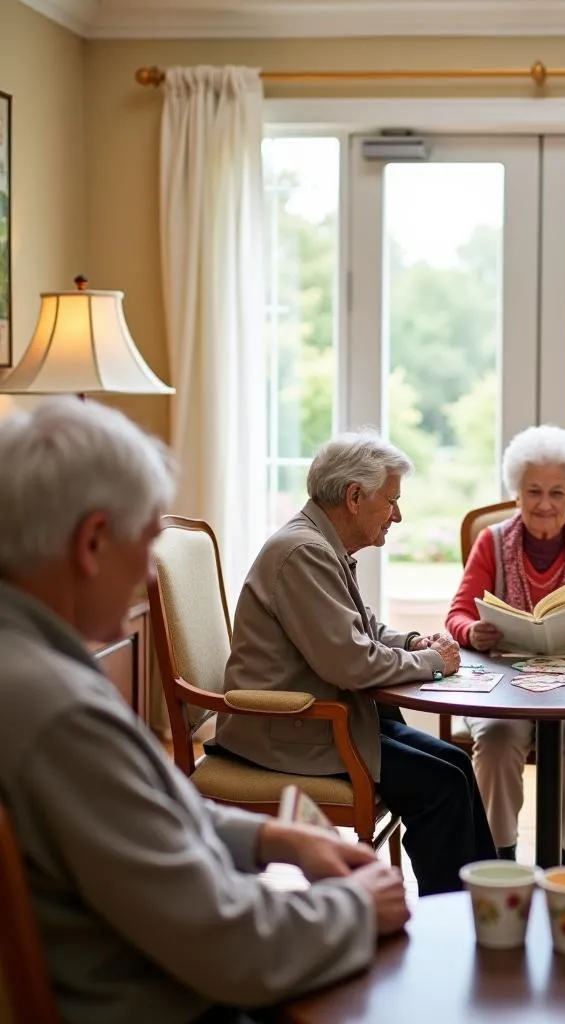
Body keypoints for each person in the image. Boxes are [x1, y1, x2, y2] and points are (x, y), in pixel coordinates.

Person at [0, 400, 410, 1024]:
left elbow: (146, 815)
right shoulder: (59, 714)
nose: (146, 576)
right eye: (143, 544)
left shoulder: (31, 663)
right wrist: (356, 905)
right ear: (91, 542)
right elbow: (234, 948)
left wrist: (274, 836)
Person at [216, 430, 495, 896]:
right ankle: (452, 923)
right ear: (353, 497)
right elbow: (352, 664)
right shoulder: (304, 552)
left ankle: (486, 902)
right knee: (441, 786)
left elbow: (359, 631)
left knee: (455, 764)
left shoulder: (320, 545)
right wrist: (432, 661)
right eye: (391, 501)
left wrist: (410, 641)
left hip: (331, 718)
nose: (398, 515)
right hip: (292, 729)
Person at [446, 425, 565, 865]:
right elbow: (457, 616)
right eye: (533, 491)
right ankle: (499, 857)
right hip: (503, 690)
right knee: (495, 738)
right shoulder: (491, 542)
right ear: (516, 491)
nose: (545, 504)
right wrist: (472, 631)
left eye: (558, 492)